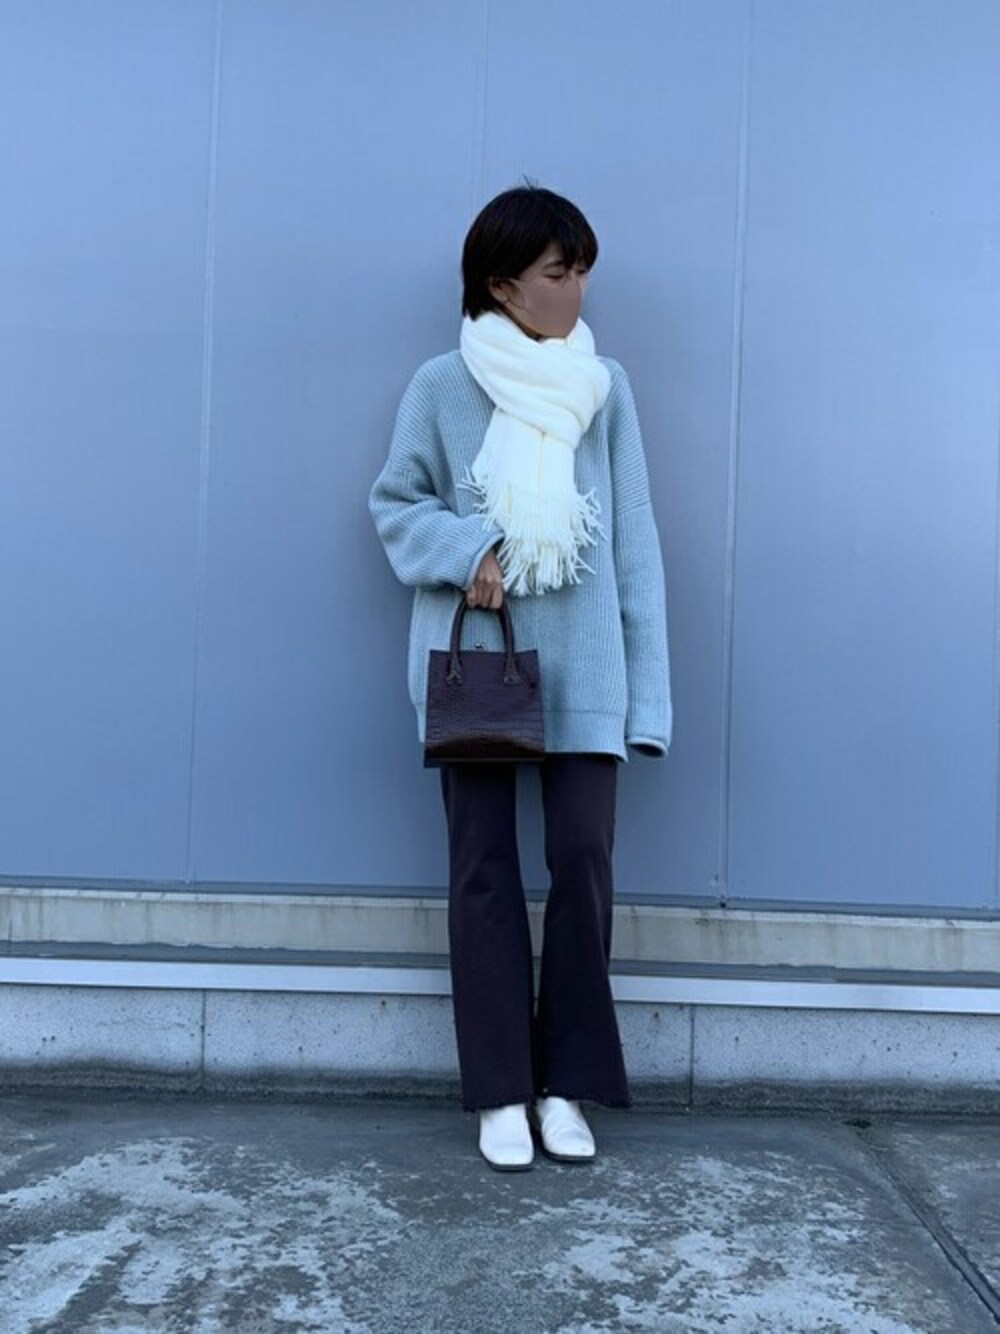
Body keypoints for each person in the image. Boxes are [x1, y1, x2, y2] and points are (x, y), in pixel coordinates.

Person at [368, 181, 672, 1171]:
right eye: (557, 271)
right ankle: (500, 1089)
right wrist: (469, 548)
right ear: (502, 284)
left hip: (585, 668)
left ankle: (563, 1084)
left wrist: (647, 699)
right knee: (484, 872)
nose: (576, 287)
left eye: (582, 270)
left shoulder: (603, 388)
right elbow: (395, 504)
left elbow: (633, 543)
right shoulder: (441, 385)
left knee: (582, 865)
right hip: (480, 672)